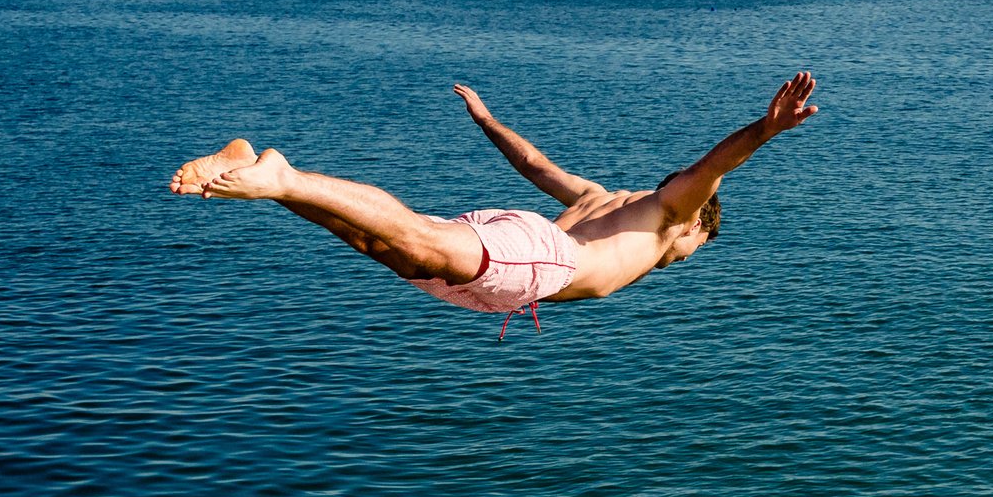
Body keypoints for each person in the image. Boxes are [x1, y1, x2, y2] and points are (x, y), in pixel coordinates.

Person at [169, 72, 818, 334]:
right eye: (695, 249)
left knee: (386, 244)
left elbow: (532, 162)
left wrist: (486, 120)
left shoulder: (600, 197)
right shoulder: (670, 216)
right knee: (415, 238)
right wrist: (765, 131)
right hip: (542, 259)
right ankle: (281, 175)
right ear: (697, 227)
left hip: (517, 268)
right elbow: (713, 168)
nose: (684, 258)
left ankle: (265, 174)